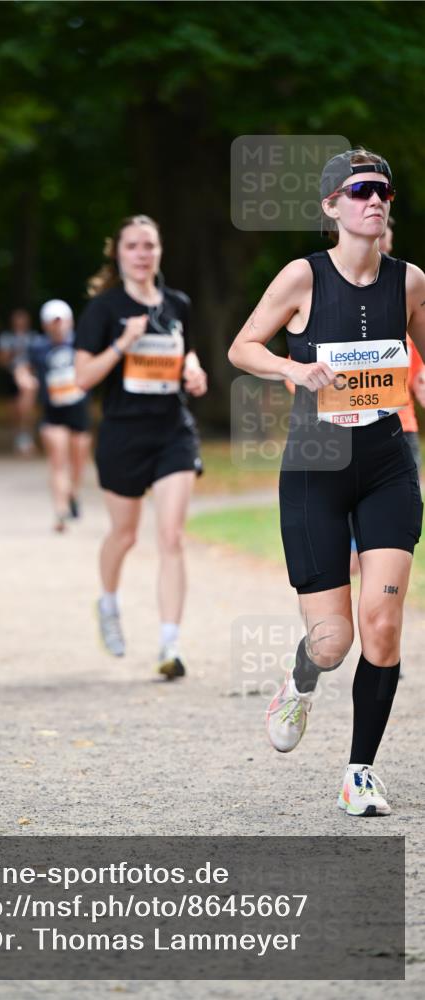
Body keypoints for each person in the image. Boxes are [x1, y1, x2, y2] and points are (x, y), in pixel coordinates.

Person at [228, 148, 425, 816]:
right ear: (330, 206)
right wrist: (289, 370)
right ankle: (301, 676)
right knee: (334, 642)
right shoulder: (301, 278)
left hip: (387, 465)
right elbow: (241, 347)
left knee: (382, 622)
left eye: (383, 191)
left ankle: (360, 771)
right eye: (360, 190)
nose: (374, 200)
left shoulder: (410, 281)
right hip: (315, 468)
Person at [75, 214, 207, 679]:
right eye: (132, 245)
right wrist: (122, 344)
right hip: (122, 434)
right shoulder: (103, 310)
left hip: (172, 430)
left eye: (149, 245)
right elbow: (82, 377)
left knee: (170, 536)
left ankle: (170, 644)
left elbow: (184, 349)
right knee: (125, 534)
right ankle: (108, 602)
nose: (142, 253)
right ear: (119, 253)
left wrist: (193, 369)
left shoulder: (177, 304)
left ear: (159, 251)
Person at [15, 299, 91, 532]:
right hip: (53, 412)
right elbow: (22, 367)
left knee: (78, 463)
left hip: (79, 410)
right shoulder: (38, 347)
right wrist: (25, 379)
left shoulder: (82, 343)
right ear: (46, 324)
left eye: (61, 321)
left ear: (69, 321)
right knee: (58, 462)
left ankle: (73, 494)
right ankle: (60, 511)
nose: (57, 326)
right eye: (52, 322)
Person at [381, 218, 425, 473]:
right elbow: (296, 371)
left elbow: (418, 371)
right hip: (356, 430)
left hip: (403, 428)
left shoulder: (406, 290)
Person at [0, 308, 39, 454]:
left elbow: (39, 358)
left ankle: (25, 436)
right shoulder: (6, 338)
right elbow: (0, 360)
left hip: (29, 374)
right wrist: (14, 352)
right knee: (14, 409)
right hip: (11, 375)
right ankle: (19, 435)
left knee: (27, 405)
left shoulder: (34, 337)